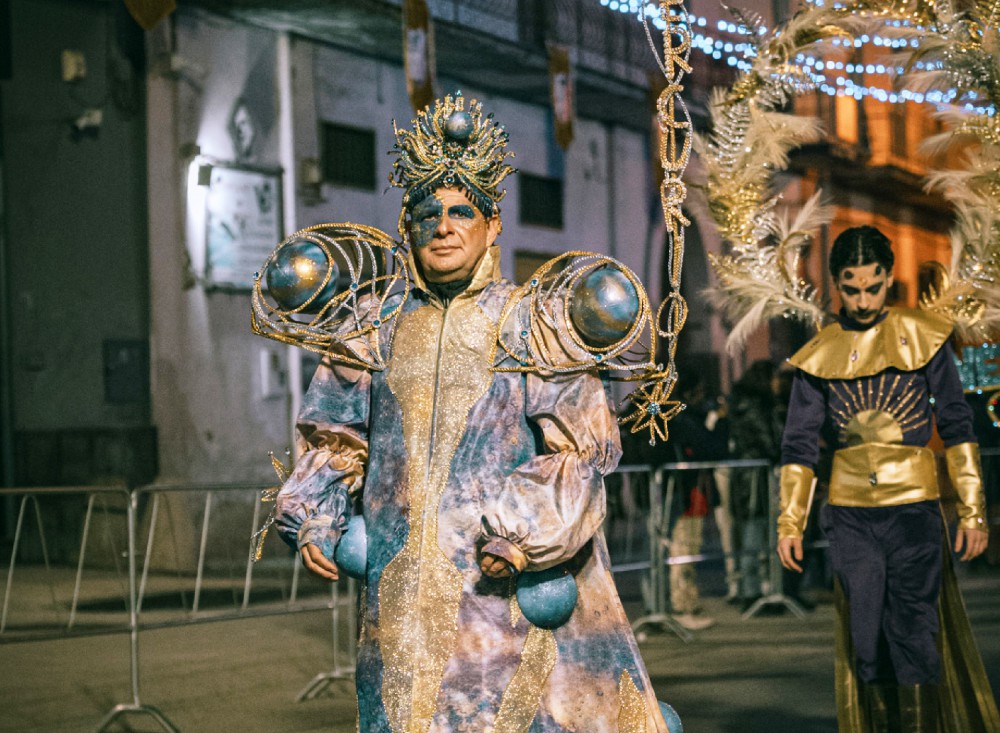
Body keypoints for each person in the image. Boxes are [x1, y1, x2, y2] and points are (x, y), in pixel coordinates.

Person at [270, 94, 673, 732]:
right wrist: (315, 515)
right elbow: (334, 436)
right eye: (428, 212)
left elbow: (579, 454)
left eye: (462, 212)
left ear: (492, 225)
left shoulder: (533, 328)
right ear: (406, 225)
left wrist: (518, 535)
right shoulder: (369, 330)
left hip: (497, 606)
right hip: (395, 609)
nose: (444, 226)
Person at [776, 225, 997, 731]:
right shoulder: (817, 356)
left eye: (872, 287)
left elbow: (958, 424)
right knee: (867, 634)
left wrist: (972, 510)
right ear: (835, 284)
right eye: (851, 289)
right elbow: (799, 444)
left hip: (915, 510)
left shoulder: (924, 336)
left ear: (889, 278)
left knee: (913, 627)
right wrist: (790, 523)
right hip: (851, 514)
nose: (862, 299)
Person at [726, 359, 780, 612]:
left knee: (755, 534)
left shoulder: (746, 403)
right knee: (754, 534)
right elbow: (768, 441)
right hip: (754, 479)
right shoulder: (754, 406)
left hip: (750, 476)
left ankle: (756, 590)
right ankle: (752, 591)